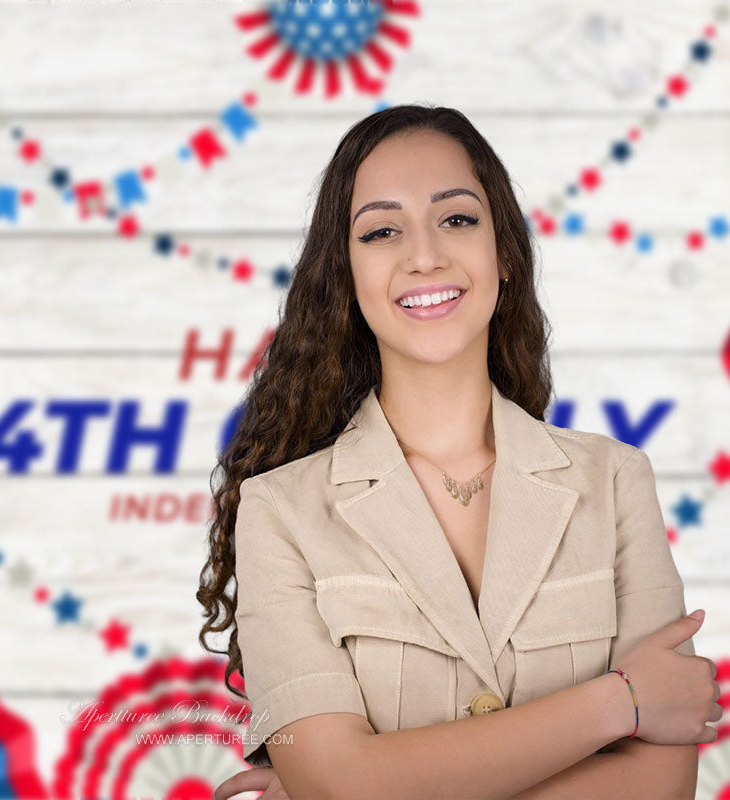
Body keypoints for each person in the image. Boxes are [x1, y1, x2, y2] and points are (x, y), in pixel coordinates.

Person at [197, 104, 720, 800]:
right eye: (382, 231)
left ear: (502, 251)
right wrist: (619, 703)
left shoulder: (616, 482)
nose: (424, 255)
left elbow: (659, 786)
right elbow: (340, 783)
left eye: (457, 218)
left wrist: (369, 784)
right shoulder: (279, 512)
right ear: (345, 275)